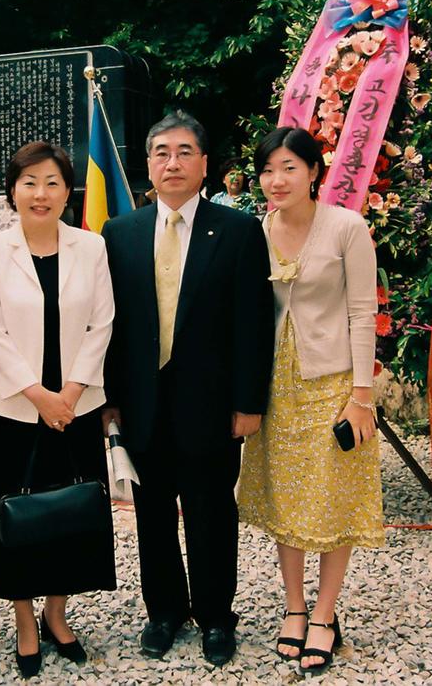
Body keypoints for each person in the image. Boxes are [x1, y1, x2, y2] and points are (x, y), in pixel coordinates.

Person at [101, 110, 274, 667]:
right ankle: (164, 611)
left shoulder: (240, 232)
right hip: (143, 403)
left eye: (183, 152)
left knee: (210, 513)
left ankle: (217, 616)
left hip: (212, 404)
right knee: (152, 514)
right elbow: (110, 325)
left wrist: (249, 403)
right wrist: (111, 402)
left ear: (204, 165)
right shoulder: (119, 233)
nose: (171, 162)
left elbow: (253, 324)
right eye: (160, 152)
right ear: (147, 164)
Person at [236, 126, 383, 677]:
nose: (277, 180)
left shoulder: (347, 227)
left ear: (314, 172)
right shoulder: (258, 231)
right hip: (275, 385)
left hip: (333, 380)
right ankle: (294, 605)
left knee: (332, 496)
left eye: (289, 168)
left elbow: (363, 312)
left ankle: (326, 612)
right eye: (268, 170)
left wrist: (362, 396)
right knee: (285, 498)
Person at [0, 141, 116, 679]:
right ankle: (25, 618)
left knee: (72, 509)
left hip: (77, 407)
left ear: (67, 191)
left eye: (52, 182)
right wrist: (40, 395)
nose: (41, 193)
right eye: (30, 181)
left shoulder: (90, 247)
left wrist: (72, 393)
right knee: (19, 510)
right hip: (17, 409)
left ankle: (58, 613)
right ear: (13, 189)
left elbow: (102, 322)